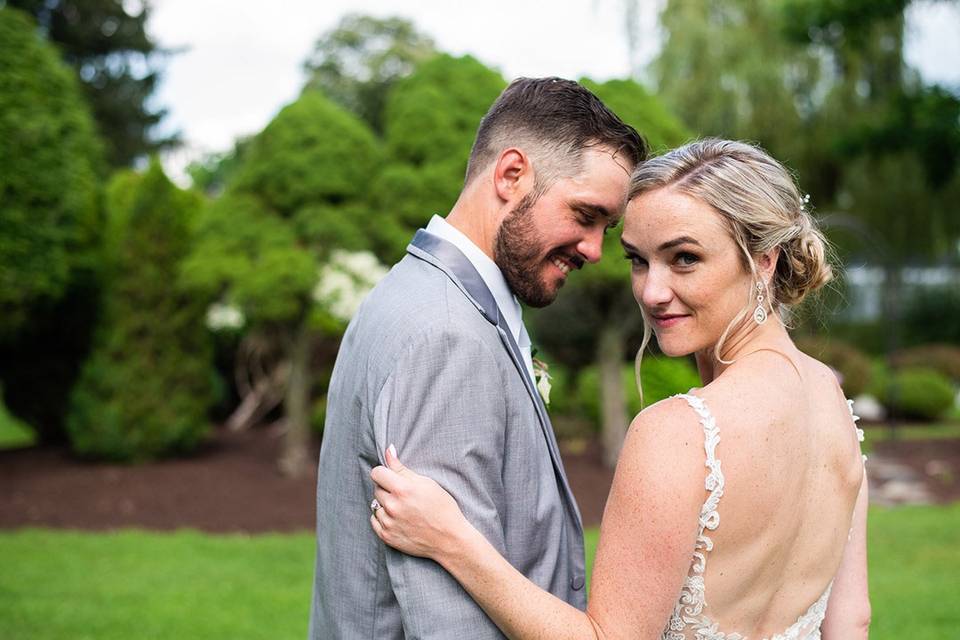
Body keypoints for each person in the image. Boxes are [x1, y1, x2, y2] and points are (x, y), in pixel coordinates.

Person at [369, 139, 871, 639]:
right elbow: (852, 621)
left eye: (685, 259)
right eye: (638, 260)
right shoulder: (833, 402)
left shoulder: (681, 432)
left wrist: (453, 542)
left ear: (763, 260)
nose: (652, 292)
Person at [308, 77, 646, 639]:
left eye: (605, 229)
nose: (594, 249)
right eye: (585, 215)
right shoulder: (446, 335)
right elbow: (451, 621)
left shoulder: (414, 295)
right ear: (511, 176)